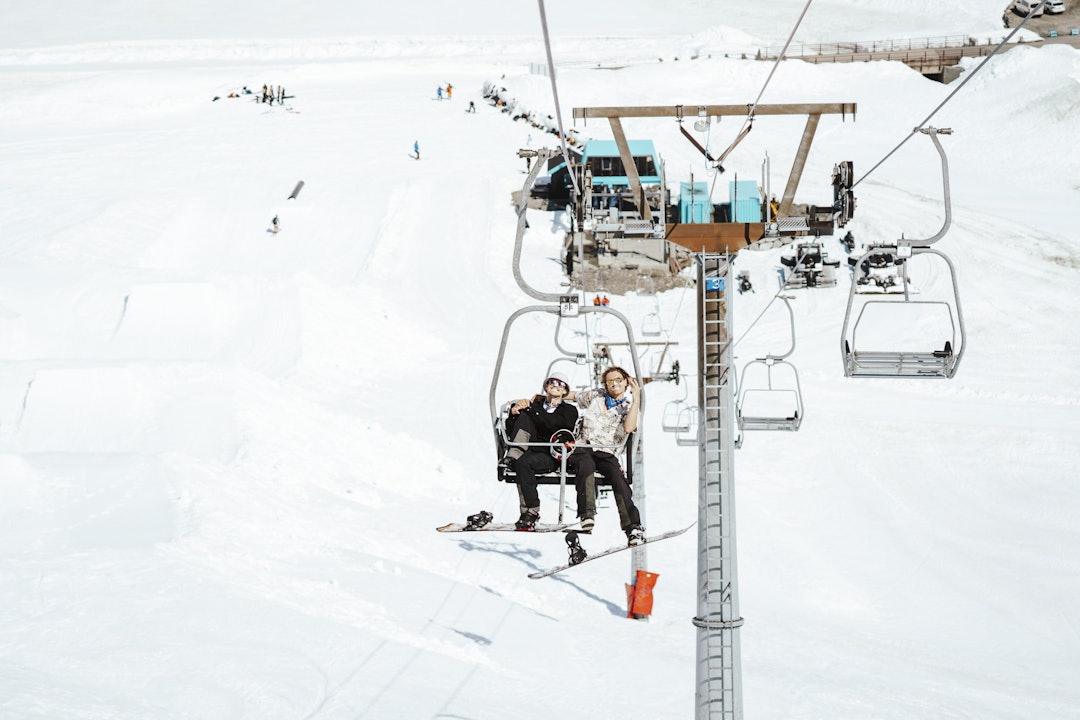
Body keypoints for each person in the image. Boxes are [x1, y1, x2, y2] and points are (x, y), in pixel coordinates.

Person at [566, 366, 644, 544]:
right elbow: (574, 395)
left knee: (617, 477)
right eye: (610, 381)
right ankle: (587, 514)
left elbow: (629, 428)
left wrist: (636, 397)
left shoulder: (629, 407)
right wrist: (550, 395)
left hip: (606, 450)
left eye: (618, 380)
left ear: (625, 382)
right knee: (585, 464)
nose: (614, 384)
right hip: (583, 445)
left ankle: (632, 527)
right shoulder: (597, 396)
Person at [499, 372, 578, 530]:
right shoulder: (534, 406)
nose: (555, 385)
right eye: (552, 382)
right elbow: (512, 428)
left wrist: (531, 410)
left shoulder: (569, 410)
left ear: (565, 391)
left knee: (524, 463)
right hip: (528, 450)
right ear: (546, 386)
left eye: (560, 384)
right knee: (521, 462)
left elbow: (552, 424)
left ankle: (532, 512)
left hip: (550, 454)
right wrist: (515, 412)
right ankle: (527, 513)